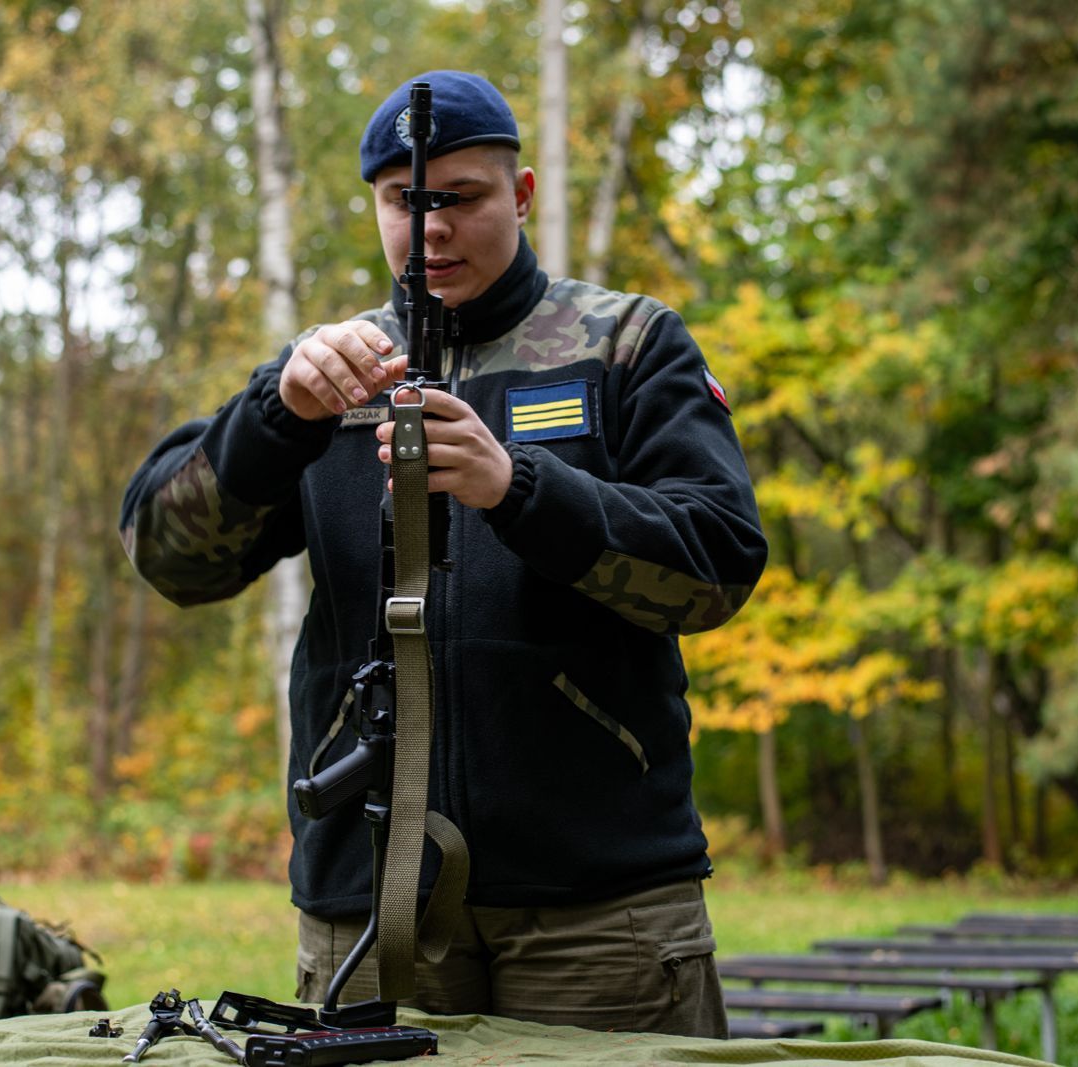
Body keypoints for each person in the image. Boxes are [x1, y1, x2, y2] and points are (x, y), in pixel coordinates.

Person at [119, 70, 766, 1037]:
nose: (430, 230)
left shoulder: (625, 344)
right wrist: (276, 415)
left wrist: (521, 488)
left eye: (460, 198)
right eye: (403, 201)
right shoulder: (331, 374)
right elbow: (170, 556)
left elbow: (718, 564)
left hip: (599, 905)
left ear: (523, 194)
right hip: (370, 897)